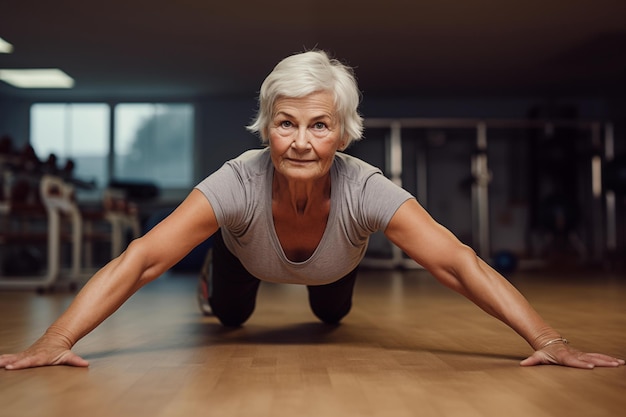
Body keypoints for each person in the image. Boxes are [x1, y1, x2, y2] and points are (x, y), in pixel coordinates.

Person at [0, 50, 623, 371]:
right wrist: (57, 339)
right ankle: (220, 275)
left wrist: (549, 340)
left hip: (332, 267)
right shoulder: (237, 181)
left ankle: (326, 282)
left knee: (330, 314)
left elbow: (459, 263)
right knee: (232, 320)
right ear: (267, 128)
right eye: (286, 123)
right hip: (245, 261)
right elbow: (139, 261)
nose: (301, 141)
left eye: (320, 125)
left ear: (344, 133)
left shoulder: (366, 187)